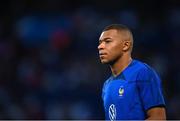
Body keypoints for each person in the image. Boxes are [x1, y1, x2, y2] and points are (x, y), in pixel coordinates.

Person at [98, 24, 166, 120]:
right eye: (100, 42)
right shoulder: (107, 85)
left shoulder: (142, 73)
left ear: (125, 45)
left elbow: (159, 118)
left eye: (107, 41)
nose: (100, 46)